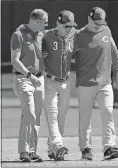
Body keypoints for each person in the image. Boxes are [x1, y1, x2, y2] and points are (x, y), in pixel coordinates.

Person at [74, 7, 118, 161]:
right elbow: (66, 54)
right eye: (96, 22)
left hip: (105, 82)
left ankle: (109, 147)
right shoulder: (78, 35)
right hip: (85, 83)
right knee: (85, 117)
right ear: (89, 19)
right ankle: (86, 149)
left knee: (108, 113)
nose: (98, 25)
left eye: (101, 22)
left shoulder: (106, 31)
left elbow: (114, 51)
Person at [10, 9, 48, 162]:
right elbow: (15, 60)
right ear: (36, 20)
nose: (46, 25)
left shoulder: (40, 35)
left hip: (39, 80)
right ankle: (24, 151)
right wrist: (29, 75)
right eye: (44, 21)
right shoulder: (18, 35)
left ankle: (32, 151)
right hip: (24, 79)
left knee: (36, 117)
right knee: (29, 113)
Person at [42, 10, 77, 161]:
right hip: (49, 81)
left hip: (66, 82)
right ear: (57, 23)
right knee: (52, 115)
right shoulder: (46, 36)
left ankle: (52, 149)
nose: (69, 28)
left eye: (71, 25)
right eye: (65, 25)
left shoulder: (74, 34)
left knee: (61, 117)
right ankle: (58, 144)